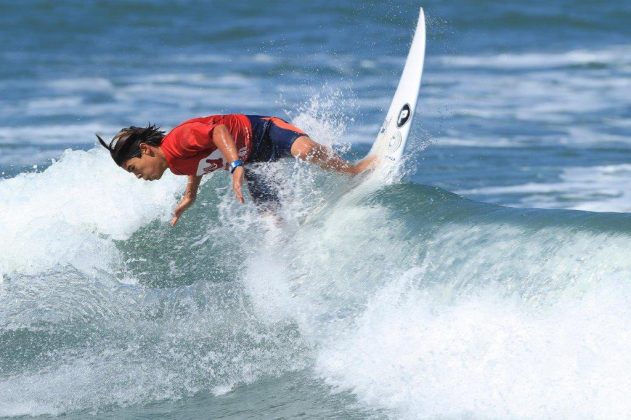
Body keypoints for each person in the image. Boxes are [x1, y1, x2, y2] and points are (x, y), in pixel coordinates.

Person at [97, 114, 376, 225]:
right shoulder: (176, 165)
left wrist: (235, 165)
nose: (139, 176)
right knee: (273, 223)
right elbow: (197, 165)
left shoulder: (177, 140)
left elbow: (217, 131)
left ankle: (354, 170)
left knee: (304, 151)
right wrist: (190, 196)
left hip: (264, 133)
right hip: (252, 162)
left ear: (146, 150)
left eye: (134, 169)